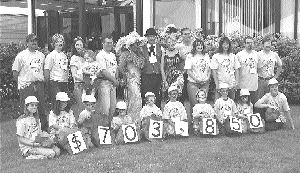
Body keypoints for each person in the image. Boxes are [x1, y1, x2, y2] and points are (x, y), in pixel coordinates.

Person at [12, 33, 48, 131]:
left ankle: (44, 131)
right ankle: (25, 132)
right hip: (26, 86)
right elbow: (15, 72)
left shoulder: (41, 55)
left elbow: (44, 70)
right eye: (32, 41)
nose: (34, 42)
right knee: (26, 109)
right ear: (27, 43)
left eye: (36, 41)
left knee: (41, 108)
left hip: (39, 85)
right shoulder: (21, 56)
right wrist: (23, 84)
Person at [117, 32, 145, 123]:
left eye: (137, 44)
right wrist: (127, 75)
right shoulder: (125, 54)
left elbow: (142, 66)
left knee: (137, 98)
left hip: (139, 78)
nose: (136, 46)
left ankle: (137, 121)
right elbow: (120, 67)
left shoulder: (140, 54)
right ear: (130, 45)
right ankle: (131, 120)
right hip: (131, 79)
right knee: (135, 98)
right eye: (134, 44)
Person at [185, 39, 211, 120]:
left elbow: (210, 69)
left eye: (201, 45)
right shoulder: (190, 56)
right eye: (198, 45)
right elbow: (188, 71)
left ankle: (203, 122)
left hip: (205, 82)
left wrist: (208, 77)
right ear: (194, 47)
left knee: (203, 103)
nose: (200, 47)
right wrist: (196, 79)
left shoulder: (206, 55)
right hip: (193, 83)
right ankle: (194, 123)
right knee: (195, 104)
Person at [96, 35, 119, 120]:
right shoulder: (100, 55)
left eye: (111, 43)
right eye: (107, 43)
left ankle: (109, 127)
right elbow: (103, 71)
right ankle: (103, 128)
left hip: (112, 84)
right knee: (106, 108)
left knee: (113, 108)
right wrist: (114, 80)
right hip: (104, 83)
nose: (110, 44)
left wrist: (116, 79)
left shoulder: (113, 55)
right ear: (103, 43)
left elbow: (115, 68)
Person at [45, 34, 69, 107]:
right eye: (57, 42)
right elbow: (47, 70)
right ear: (53, 44)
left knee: (64, 105)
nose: (60, 43)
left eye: (61, 41)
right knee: (57, 105)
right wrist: (47, 84)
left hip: (64, 82)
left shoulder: (64, 55)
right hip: (55, 83)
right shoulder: (51, 56)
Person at [141, 28, 163, 108]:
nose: (151, 38)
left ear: (155, 37)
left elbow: (161, 62)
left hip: (157, 75)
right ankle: (146, 115)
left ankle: (157, 115)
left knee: (157, 95)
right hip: (146, 75)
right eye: (149, 36)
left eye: (153, 36)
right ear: (147, 37)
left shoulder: (160, 47)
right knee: (146, 95)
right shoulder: (142, 48)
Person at [161, 35, 184, 102]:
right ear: (166, 43)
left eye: (173, 41)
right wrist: (164, 81)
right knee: (168, 98)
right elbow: (162, 68)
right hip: (168, 77)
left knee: (177, 97)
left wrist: (183, 71)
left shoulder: (179, 52)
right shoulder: (164, 53)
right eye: (169, 42)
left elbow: (187, 61)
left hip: (177, 77)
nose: (171, 43)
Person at [236, 36, 259, 103]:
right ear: (244, 44)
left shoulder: (257, 54)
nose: (250, 44)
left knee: (254, 108)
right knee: (243, 107)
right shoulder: (239, 55)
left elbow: (259, 68)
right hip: (242, 86)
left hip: (254, 86)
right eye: (248, 43)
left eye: (251, 43)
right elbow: (237, 70)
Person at [175, 28, 193, 103]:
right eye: (185, 34)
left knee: (192, 97)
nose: (187, 35)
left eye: (188, 33)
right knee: (181, 96)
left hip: (192, 74)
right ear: (181, 36)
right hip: (182, 74)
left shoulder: (194, 45)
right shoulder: (178, 46)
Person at [70, 36, 86, 112]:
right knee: (81, 107)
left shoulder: (85, 58)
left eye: (80, 45)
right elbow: (74, 74)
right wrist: (84, 80)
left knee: (87, 107)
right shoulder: (74, 58)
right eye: (77, 45)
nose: (79, 47)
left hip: (86, 85)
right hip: (78, 85)